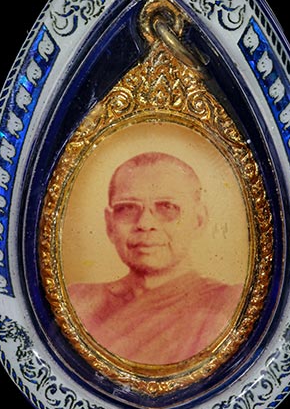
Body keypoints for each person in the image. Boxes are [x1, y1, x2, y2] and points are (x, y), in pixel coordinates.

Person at [67, 152, 243, 366]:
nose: (145, 223)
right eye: (127, 208)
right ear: (109, 225)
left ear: (198, 220)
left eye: (167, 207)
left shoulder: (229, 304)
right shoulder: (78, 301)